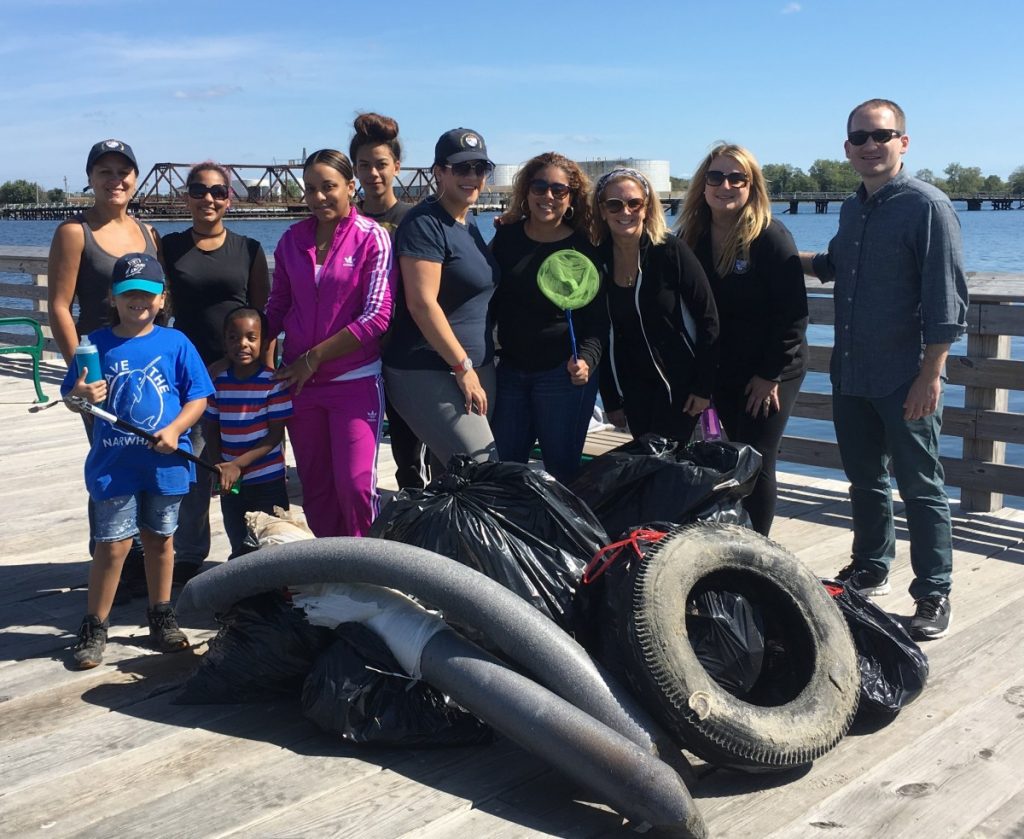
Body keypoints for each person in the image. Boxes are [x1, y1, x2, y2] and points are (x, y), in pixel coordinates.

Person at [800, 98, 968, 641]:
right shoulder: (852, 208)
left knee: (921, 486)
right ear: (847, 147)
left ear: (904, 142)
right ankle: (872, 565)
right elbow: (829, 266)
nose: (871, 146)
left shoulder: (927, 207)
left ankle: (933, 591)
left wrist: (931, 374)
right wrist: (761, 244)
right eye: (860, 138)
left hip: (904, 376)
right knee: (865, 480)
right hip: (850, 372)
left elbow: (947, 302)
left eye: (882, 135)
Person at [62, 253, 213, 669]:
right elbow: (72, 398)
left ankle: (161, 614)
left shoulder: (176, 343)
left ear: (162, 299)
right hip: (114, 466)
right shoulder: (94, 345)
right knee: (112, 546)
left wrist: (174, 429)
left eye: (147, 294)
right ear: (112, 297)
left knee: (161, 541)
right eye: (128, 294)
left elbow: (198, 397)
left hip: (164, 466)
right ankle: (95, 624)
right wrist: (80, 397)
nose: (138, 302)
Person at [47, 139, 159, 598]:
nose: (116, 180)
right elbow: (58, 306)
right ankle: (107, 556)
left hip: (145, 364)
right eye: (105, 172)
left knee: (144, 457)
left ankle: (136, 561)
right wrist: (81, 371)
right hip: (98, 372)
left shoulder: (147, 231)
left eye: (123, 172)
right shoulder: (75, 232)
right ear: (91, 178)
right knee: (109, 462)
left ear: (134, 178)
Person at [678, 144, 808, 536]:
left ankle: (758, 545)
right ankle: (726, 534)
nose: (726, 185)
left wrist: (769, 375)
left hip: (771, 366)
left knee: (757, 457)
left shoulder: (769, 236)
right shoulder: (691, 235)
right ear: (703, 185)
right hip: (720, 364)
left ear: (752, 187)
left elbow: (793, 315)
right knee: (721, 453)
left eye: (738, 178)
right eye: (716, 177)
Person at [266, 148, 392, 538]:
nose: (319, 197)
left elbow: (377, 316)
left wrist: (313, 358)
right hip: (300, 385)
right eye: (310, 189)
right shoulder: (291, 240)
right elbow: (278, 305)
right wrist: (254, 357)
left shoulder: (373, 238)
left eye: (329, 187)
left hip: (354, 381)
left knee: (354, 486)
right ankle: (331, 574)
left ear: (351, 187)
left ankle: (368, 573)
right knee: (316, 489)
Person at [161, 161, 270, 581]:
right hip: (186, 376)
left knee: (238, 463)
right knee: (193, 466)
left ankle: (248, 548)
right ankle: (189, 553)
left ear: (229, 198)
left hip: (238, 376)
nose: (209, 198)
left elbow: (263, 315)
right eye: (199, 190)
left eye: (218, 192)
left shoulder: (249, 249)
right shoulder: (168, 246)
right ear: (186, 196)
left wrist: (265, 372)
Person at [382, 128, 501, 471]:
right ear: (439, 171)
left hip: (473, 369)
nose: (472, 177)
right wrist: (462, 367)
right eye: (461, 168)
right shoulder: (424, 223)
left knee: (451, 481)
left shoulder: (467, 222)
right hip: (429, 369)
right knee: (482, 469)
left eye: (480, 168)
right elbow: (422, 304)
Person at [490, 152, 603, 485]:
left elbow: (597, 322)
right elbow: (485, 302)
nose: (548, 196)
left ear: (571, 198)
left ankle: (560, 537)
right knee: (503, 470)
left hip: (562, 375)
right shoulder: (506, 238)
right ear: (526, 191)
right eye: (539, 187)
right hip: (509, 372)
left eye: (559, 189)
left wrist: (587, 360)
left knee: (563, 472)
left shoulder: (584, 247)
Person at [592, 168, 719, 442]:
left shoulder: (670, 251)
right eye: (614, 204)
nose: (624, 211)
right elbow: (601, 335)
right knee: (647, 466)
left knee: (667, 468)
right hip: (633, 387)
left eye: (634, 203)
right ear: (602, 211)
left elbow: (709, 320)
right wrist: (611, 399)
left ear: (646, 208)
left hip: (679, 387)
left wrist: (703, 387)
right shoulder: (597, 261)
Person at [349, 112, 429, 490]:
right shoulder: (346, 221)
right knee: (359, 446)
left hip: (403, 349)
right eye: (364, 165)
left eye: (381, 164)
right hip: (357, 350)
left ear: (397, 166)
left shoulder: (414, 220)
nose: (373, 174)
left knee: (410, 452)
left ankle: (419, 520)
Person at [204, 307, 292, 557]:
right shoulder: (218, 382)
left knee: (272, 541)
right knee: (239, 543)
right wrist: (218, 466)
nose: (242, 344)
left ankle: (275, 593)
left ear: (264, 342)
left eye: (251, 338)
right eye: (233, 337)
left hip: (267, 480)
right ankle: (245, 594)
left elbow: (275, 435)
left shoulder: (274, 382)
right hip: (231, 483)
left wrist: (237, 465)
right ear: (224, 342)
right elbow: (211, 427)